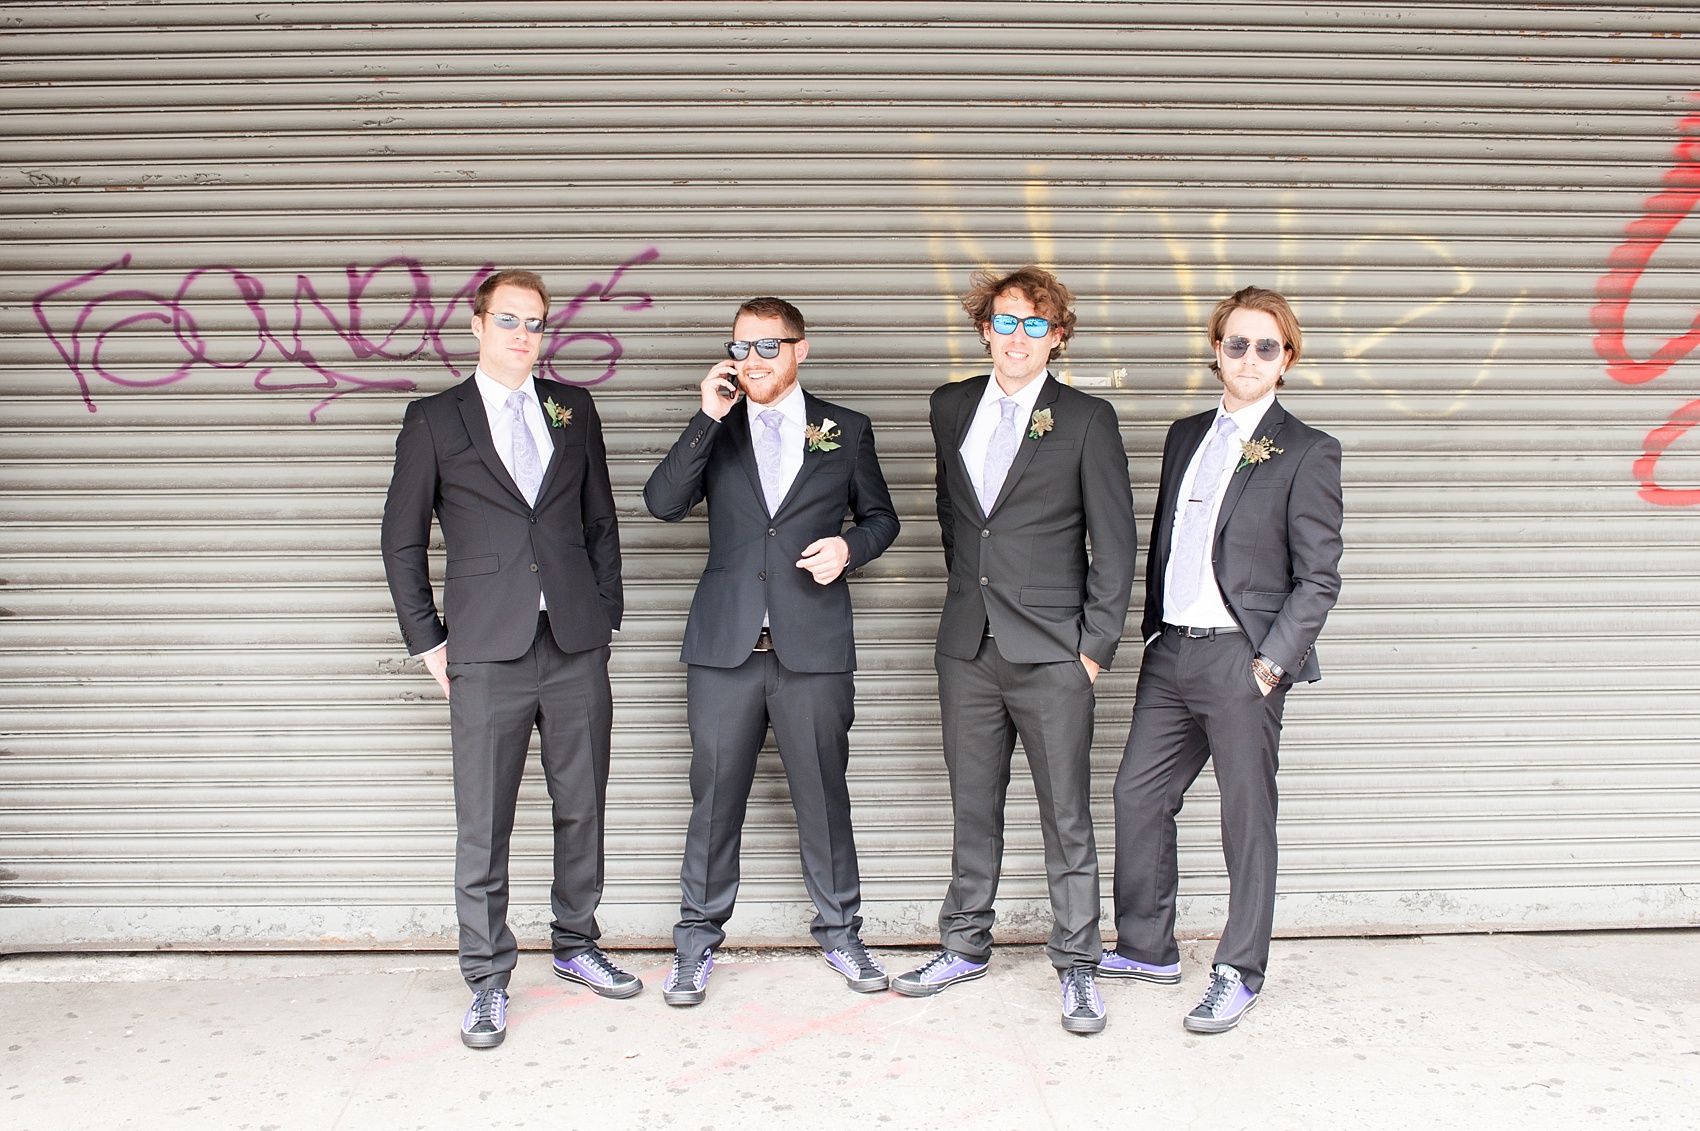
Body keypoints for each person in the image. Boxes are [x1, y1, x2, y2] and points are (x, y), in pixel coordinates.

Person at [381, 269, 634, 1050]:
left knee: (581, 802)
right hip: (485, 650)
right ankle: (488, 978)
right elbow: (400, 540)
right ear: (477, 326)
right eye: (509, 321)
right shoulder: (432, 419)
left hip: (573, 645)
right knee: (483, 822)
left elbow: (600, 520)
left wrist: (603, 617)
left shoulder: (573, 407)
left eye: (535, 323)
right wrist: (430, 640)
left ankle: (576, 942)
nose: (524, 335)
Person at [893, 267, 1137, 1035]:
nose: (1018, 337)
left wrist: (1091, 650)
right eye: (1006, 321)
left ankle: (1078, 966)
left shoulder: (1088, 419)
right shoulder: (950, 405)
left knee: (1067, 817)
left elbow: (1117, 546)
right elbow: (956, 517)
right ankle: (964, 944)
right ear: (984, 328)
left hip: (1053, 655)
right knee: (973, 807)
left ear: (1057, 336)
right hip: (967, 648)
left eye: (1036, 324)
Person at [643, 297, 900, 1006]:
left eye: (768, 346)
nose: (753, 359)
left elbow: (883, 517)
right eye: (741, 346)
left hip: (811, 646)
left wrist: (850, 546)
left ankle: (842, 932)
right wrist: (706, 416)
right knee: (713, 799)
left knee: (823, 795)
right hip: (724, 648)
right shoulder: (717, 428)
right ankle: (694, 945)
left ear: (801, 349)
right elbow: (661, 502)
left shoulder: (844, 430)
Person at [1103, 285, 1343, 1034]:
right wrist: (1149, 633)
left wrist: (1271, 663)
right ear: (1216, 350)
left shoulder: (1306, 449)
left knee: (1246, 818)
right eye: (1236, 343)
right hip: (1171, 651)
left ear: (1287, 358)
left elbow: (1320, 576)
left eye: (1265, 346)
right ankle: (1147, 945)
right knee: (1136, 795)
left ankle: (1240, 969)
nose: (1249, 357)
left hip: (1243, 659)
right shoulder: (1184, 436)